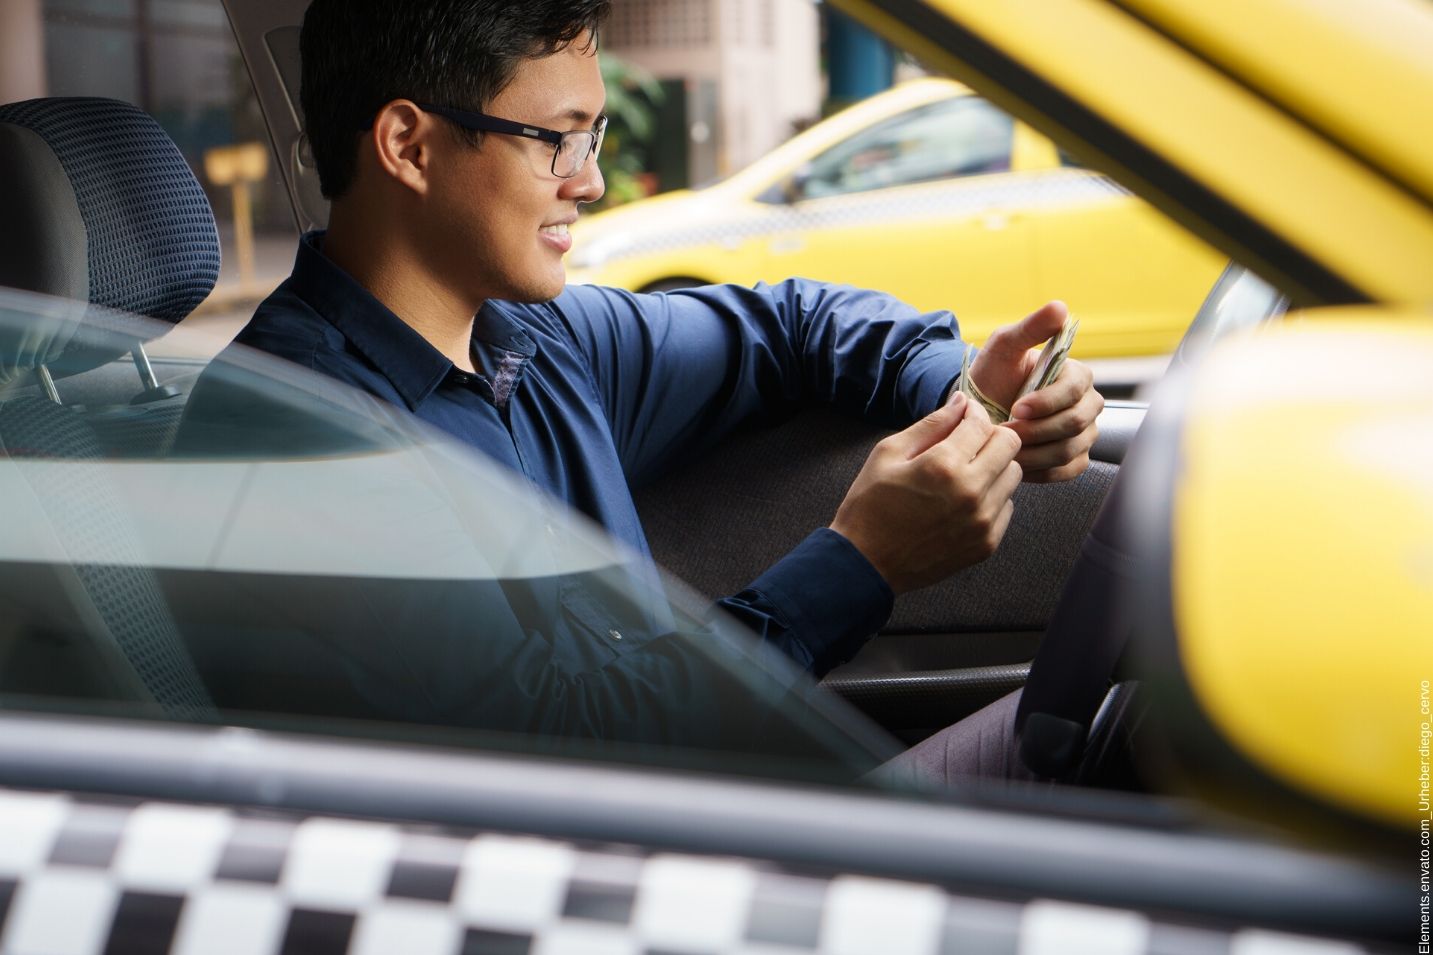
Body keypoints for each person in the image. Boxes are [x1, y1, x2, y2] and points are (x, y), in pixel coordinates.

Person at [179, 0, 1101, 782]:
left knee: (1123, 717)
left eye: (594, 134)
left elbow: (792, 327)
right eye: (557, 141)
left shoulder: (535, 338)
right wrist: (860, 562)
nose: (591, 179)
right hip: (619, 887)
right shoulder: (292, 433)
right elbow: (573, 760)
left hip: (717, 820)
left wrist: (974, 391)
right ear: (408, 146)